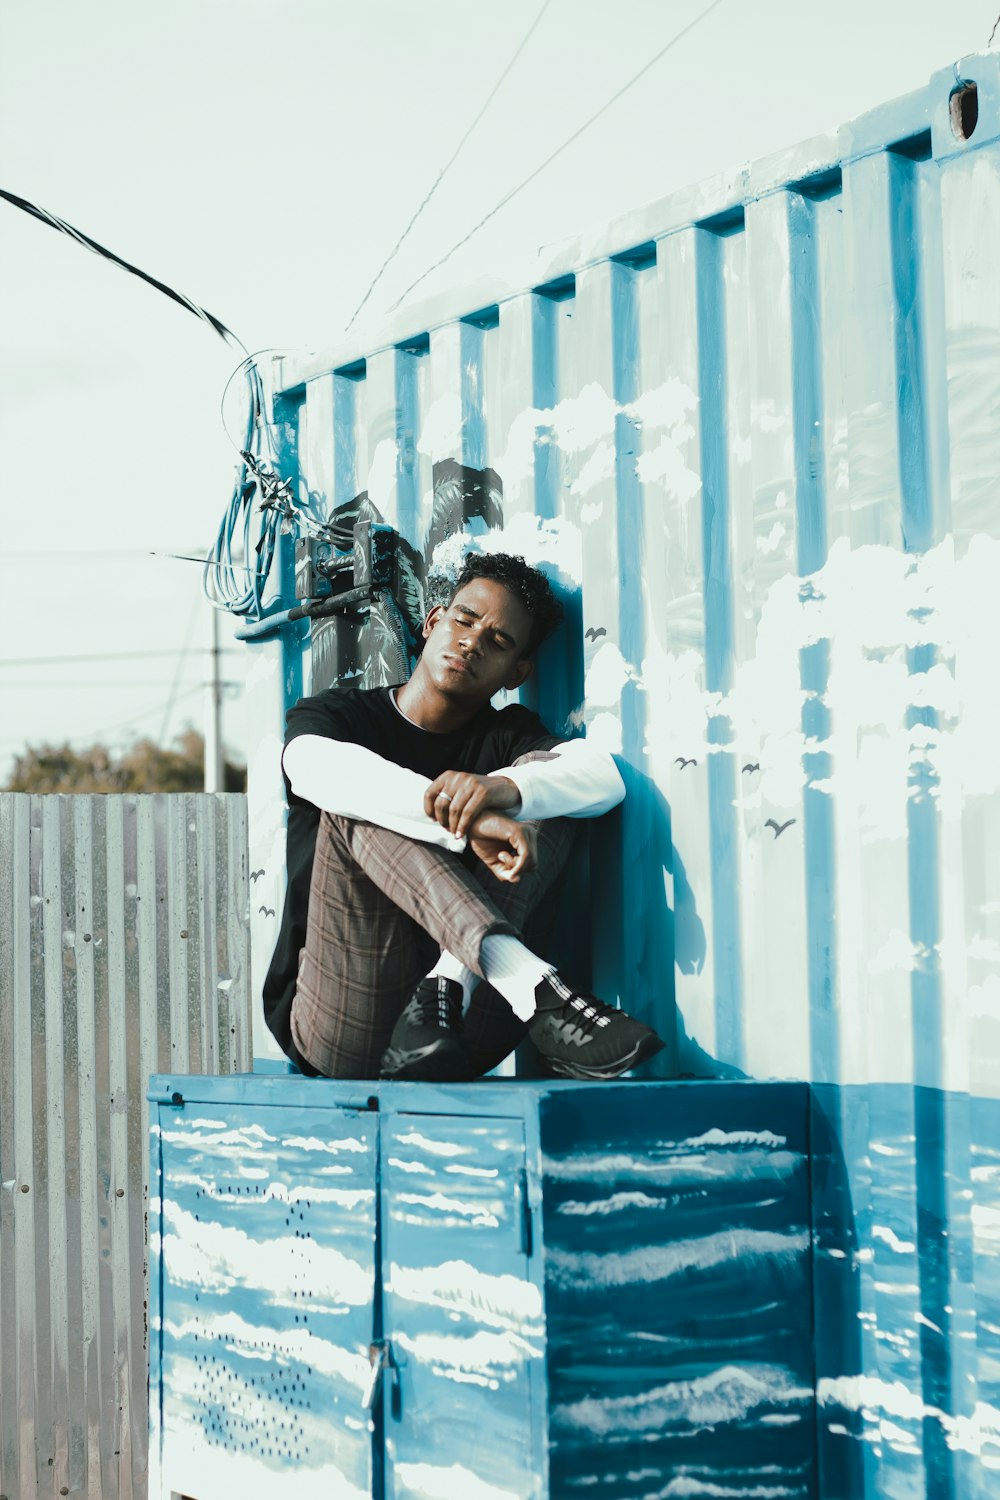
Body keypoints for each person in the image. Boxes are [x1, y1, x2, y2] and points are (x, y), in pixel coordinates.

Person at [262, 551, 664, 1082]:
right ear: (433, 623)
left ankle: (447, 984)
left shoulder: (508, 737)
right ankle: (533, 985)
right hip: (343, 1022)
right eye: (464, 621)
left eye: (498, 642)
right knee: (356, 802)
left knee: (541, 794)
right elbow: (311, 766)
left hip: (466, 1030)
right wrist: (470, 825)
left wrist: (500, 790)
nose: (472, 642)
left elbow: (603, 779)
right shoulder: (338, 716)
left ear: (517, 672)